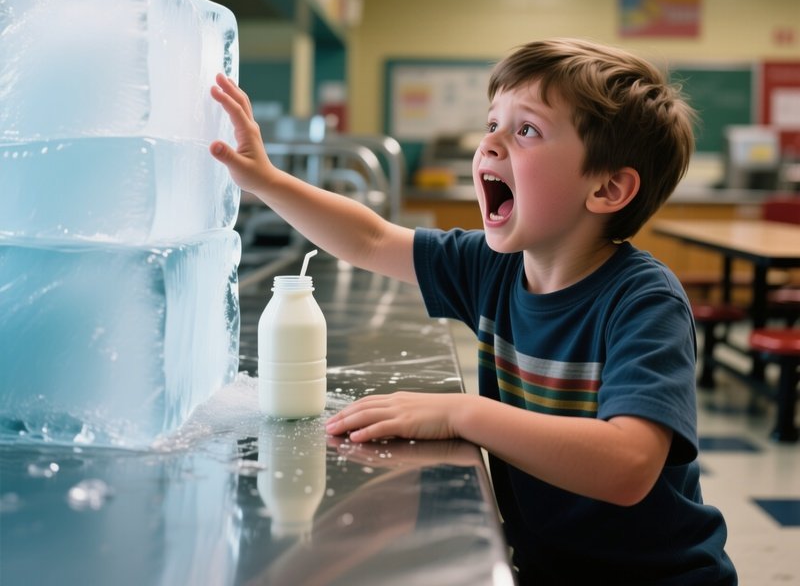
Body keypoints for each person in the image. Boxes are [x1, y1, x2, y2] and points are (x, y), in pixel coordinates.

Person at [210, 37, 737, 585]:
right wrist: (265, 181)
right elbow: (368, 239)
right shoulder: (493, 267)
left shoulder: (643, 301)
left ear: (607, 188)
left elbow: (627, 466)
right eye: (492, 124)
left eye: (526, 129)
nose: (490, 144)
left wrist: (462, 413)